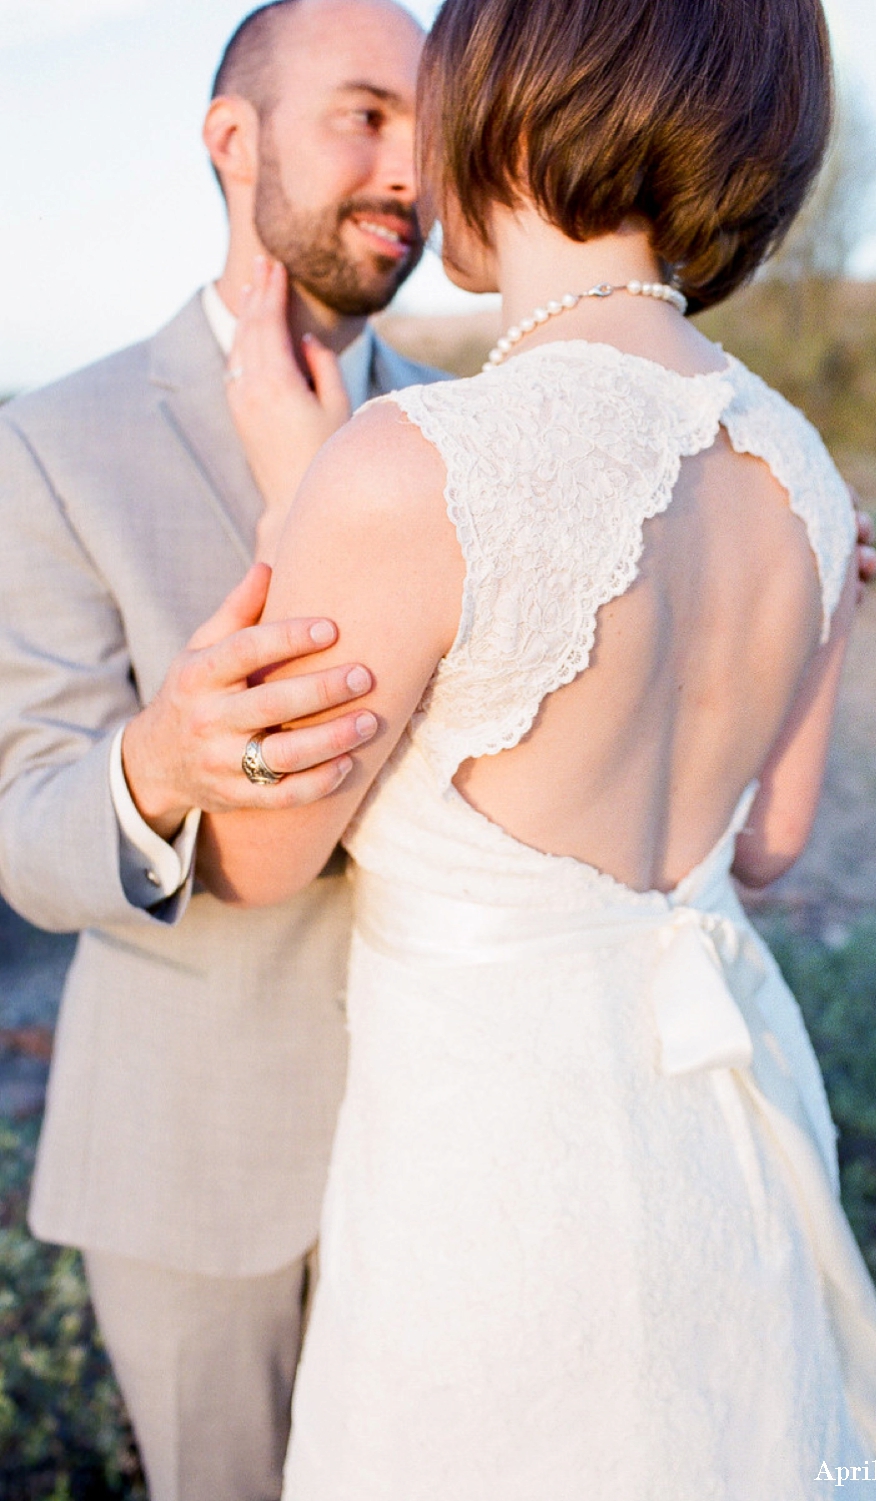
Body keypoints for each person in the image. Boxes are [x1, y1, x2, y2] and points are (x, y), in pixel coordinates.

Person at [198, 0, 876, 1494]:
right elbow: (769, 843)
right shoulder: (800, 465)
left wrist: (304, 499)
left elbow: (260, 855)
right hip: (725, 1134)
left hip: (495, 1183)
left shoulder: (416, 464)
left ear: (515, 103)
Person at [0, 3, 447, 1497]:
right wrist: (159, 768)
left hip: (463, 1139)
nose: (410, 165)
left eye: (431, 124)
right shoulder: (54, 441)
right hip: (190, 1166)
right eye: (366, 113)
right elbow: (27, 810)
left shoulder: (475, 436)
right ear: (229, 139)